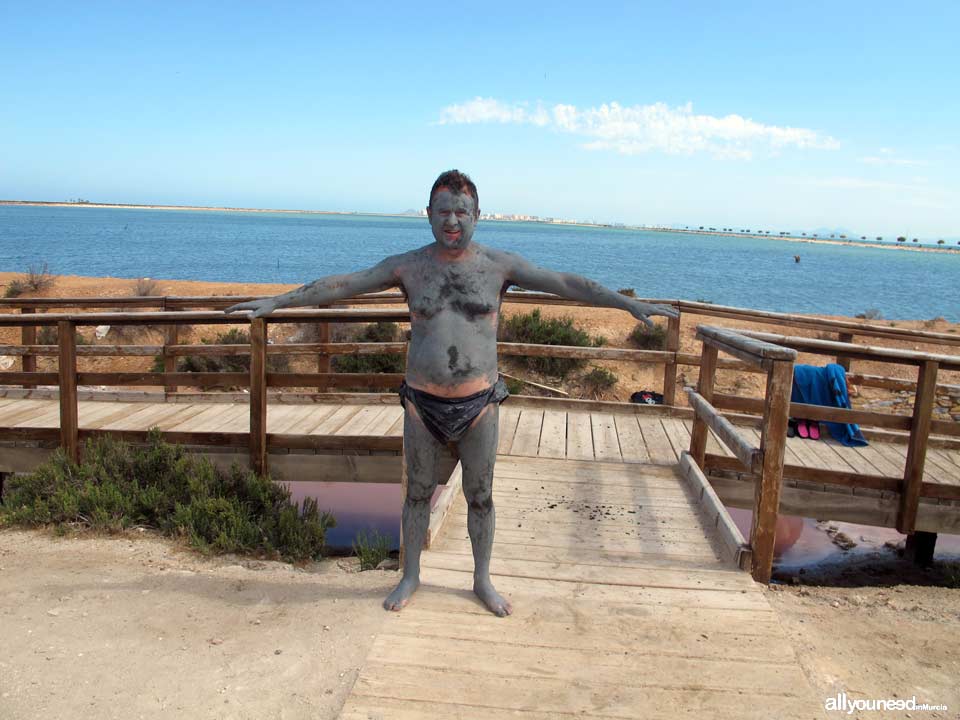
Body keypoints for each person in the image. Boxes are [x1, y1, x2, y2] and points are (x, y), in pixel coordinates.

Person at [226, 170, 678, 616]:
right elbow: (343, 284)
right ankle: (410, 575)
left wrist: (626, 302)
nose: (452, 220)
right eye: (444, 211)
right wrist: (277, 303)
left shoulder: (500, 266)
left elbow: (567, 283)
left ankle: (482, 580)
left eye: (462, 211)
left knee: (481, 495)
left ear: (477, 215)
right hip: (423, 403)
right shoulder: (408, 267)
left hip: (479, 402)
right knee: (417, 494)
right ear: (429, 215)